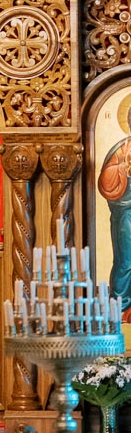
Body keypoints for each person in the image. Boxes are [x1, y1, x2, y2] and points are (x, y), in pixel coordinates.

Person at [97, 115, 131, 315]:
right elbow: (106, 183)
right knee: (127, 260)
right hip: (126, 212)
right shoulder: (122, 149)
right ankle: (121, 307)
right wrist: (124, 169)